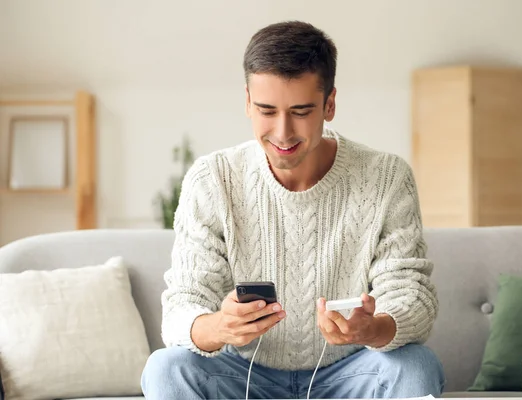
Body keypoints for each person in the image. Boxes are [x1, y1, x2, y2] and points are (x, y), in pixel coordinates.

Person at [141, 20, 445, 399]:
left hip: (350, 374)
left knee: (417, 365)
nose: (282, 132)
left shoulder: (386, 177)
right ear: (247, 102)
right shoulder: (212, 179)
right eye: (267, 110)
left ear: (329, 104)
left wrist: (373, 328)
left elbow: (411, 296)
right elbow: (183, 306)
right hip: (243, 377)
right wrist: (220, 326)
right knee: (165, 369)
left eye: (301, 111)